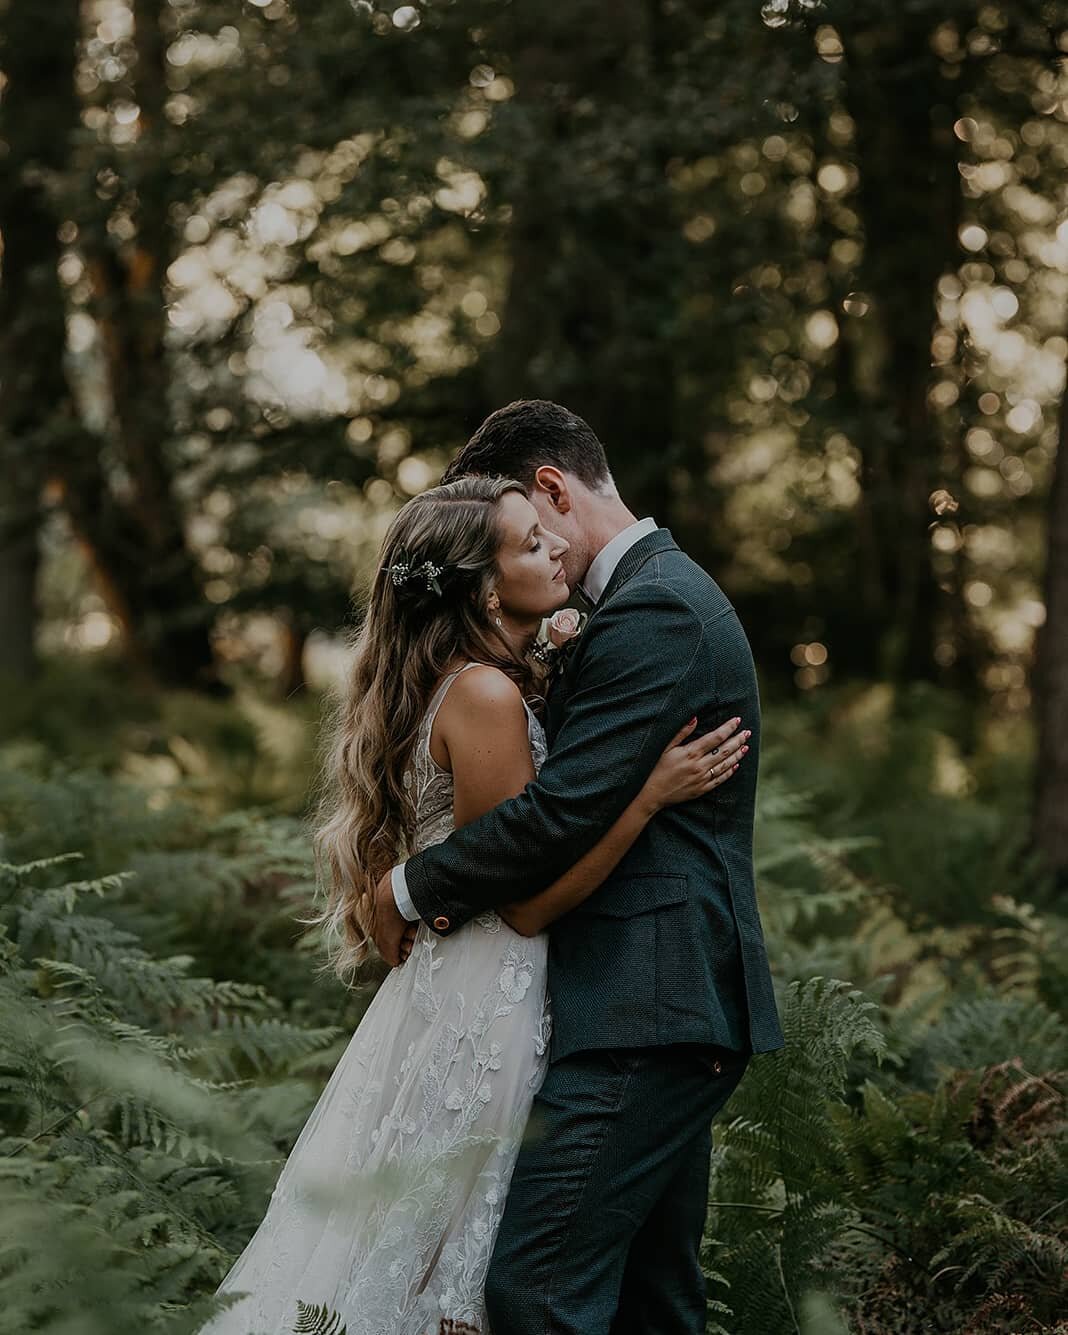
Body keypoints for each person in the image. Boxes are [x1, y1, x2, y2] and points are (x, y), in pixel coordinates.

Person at [200, 472, 747, 1335]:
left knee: (427, 1244)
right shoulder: (486, 696)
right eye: (530, 543)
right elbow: (527, 906)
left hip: (464, 982)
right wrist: (646, 797)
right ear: (487, 588)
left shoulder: (480, 680)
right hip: (492, 995)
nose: (556, 547)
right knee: (460, 1264)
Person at [372, 400, 786, 1335]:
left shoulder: (658, 607)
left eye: (520, 525)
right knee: (654, 1301)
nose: (538, 558)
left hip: (647, 1006)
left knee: (537, 1290)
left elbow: (557, 814)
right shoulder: (636, 602)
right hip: (644, 1002)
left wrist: (408, 886)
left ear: (550, 488)